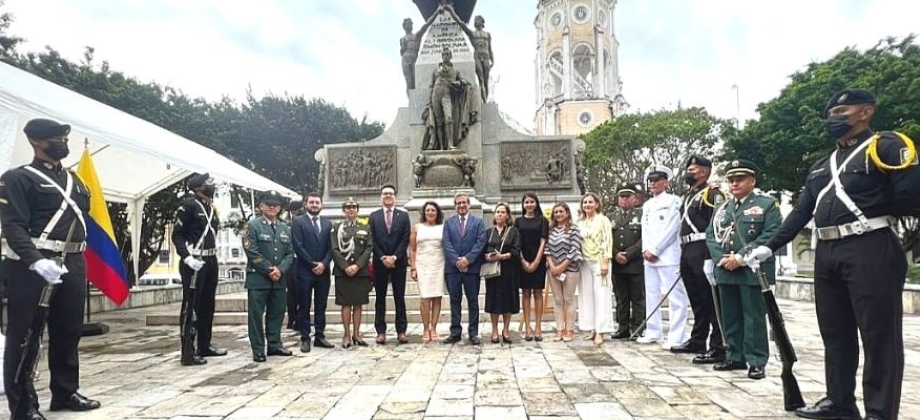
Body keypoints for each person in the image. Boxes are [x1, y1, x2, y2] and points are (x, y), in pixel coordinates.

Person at [747, 89, 920, 420]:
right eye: (831, 113)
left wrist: (881, 219)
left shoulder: (886, 146)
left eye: (843, 110)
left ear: (866, 112)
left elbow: (911, 194)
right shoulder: (821, 165)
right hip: (826, 251)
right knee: (835, 333)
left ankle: (880, 412)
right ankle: (840, 402)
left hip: (870, 246)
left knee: (879, 336)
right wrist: (769, 245)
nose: (834, 118)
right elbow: (800, 213)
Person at [0, 118, 101, 419]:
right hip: (31, 265)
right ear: (35, 141)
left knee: (68, 329)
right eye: (56, 139)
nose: (63, 144)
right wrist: (36, 260)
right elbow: (12, 226)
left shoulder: (76, 181)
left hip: (72, 261)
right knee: (26, 334)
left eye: (65, 139)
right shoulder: (17, 179)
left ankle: (65, 391)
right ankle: (23, 404)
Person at [706, 160, 781, 380]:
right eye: (731, 180)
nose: (735, 183)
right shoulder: (722, 208)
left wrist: (741, 257)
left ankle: (756, 360)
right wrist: (721, 259)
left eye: (740, 179)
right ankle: (734, 355)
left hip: (752, 270)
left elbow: (771, 233)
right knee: (730, 316)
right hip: (726, 270)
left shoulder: (767, 204)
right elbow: (711, 235)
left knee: (753, 317)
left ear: (752, 181)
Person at [673, 156, 727, 364]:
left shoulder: (713, 194)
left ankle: (718, 345)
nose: (689, 172)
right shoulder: (690, 196)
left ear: (704, 172)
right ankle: (698, 339)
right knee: (696, 299)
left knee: (711, 300)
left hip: (703, 248)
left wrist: (711, 256)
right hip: (687, 249)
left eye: (693, 170)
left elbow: (718, 224)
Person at [172, 172, 226, 365]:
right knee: (191, 306)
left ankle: (205, 344)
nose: (211, 185)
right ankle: (188, 351)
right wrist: (186, 257)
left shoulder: (209, 206)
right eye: (208, 183)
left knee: (207, 305)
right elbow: (177, 235)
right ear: (198, 187)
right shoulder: (188, 206)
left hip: (210, 259)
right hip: (194, 261)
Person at [638, 165, 690, 350]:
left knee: (675, 297)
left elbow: (672, 228)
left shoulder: (674, 201)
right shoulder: (647, 205)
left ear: (666, 181)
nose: (652, 183)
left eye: (657, 179)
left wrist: (656, 250)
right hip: (649, 256)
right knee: (651, 295)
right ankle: (653, 331)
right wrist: (646, 250)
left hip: (668, 255)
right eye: (650, 180)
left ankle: (677, 336)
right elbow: (645, 230)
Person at [242, 191, 295, 362]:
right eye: (268, 204)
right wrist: (269, 269)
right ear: (261, 206)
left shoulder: (284, 227)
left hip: (279, 280)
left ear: (280, 208)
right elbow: (252, 251)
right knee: (256, 315)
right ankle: (258, 349)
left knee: (277, 313)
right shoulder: (252, 226)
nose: (272, 207)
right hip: (258, 279)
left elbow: (290, 253)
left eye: (276, 205)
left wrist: (280, 270)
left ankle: (274, 344)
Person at [290, 193, 334, 353]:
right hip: (304, 271)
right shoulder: (298, 222)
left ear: (321, 204)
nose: (314, 205)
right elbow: (298, 245)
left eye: (317, 202)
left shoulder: (328, 223)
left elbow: (332, 247)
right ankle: (305, 337)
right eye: (312, 202)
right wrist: (312, 263)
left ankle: (320, 336)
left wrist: (324, 263)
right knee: (304, 305)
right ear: (306, 204)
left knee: (321, 305)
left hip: (323, 271)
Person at [368, 184, 411, 344]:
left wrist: (394, 257)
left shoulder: (403, 216)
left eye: (391, 194)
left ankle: (401, 331)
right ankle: (380, 331)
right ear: (381, 197)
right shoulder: (373, 216)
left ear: (395, 197)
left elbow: (405, 238)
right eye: (385, 193)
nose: (388, 196)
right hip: (380, 264)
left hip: (398, 263)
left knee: (399, 297)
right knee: (380, 297)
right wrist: (382, 257)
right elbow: (371, 239)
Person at [442, 192, 487, 345]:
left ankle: (473, 333)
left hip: (472, 268)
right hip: (452, 269)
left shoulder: (478, 222)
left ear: (469, 205)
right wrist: (457, 261)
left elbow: (480, 242)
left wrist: (468, 259)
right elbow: (446, 243)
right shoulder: (448, 223)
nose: (461, 205)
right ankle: (455, 332)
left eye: (464, 203)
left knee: (472, 300)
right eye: (458, 203)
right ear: (455, 206)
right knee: (455, 300)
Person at [331, 198, 375, 349]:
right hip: (343, 272)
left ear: (357, 210)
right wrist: (345, 267)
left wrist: (357, 266)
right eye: (348, 207)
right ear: (343, 210)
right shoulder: (337, 228)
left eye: (354, 207)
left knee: (358, 304)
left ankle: (357, 333)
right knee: (345, 304)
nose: (351, 209)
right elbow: (335, 249)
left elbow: (369, 248)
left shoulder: (365, 227)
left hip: (360, 271)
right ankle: (346, 335)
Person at [609, 183, 646, 340]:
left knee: (637, 298)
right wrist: (615, 254)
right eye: (621, 197)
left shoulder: (642, 214)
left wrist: (630, 254)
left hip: (635, 262)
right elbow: (606, 239)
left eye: (627, 196)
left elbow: (646, 237)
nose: (624, 200)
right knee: (621, 298)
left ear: (634, 198)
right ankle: (622, 327)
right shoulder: (610, 217)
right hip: (617, 264)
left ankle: (638, 328)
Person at [576, 193, 614, 346]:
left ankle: (601, 330)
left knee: (601, 295)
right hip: (584, 262)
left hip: (599, 261)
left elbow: (607, 240)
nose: (587, 205)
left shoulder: (603, 220)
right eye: (585, 202)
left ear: (597, 204)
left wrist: (605, 261)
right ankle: (590, 328)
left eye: (590, 202)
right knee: (587, 295)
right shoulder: (580, 222)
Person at [409, 201, 447, 342]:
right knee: (425, 298)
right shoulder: (417, 228)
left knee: (437, 297)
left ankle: (434, 328)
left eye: (433, 210)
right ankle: (425, 328)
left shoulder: (443, 228)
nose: (430, 213)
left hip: (439, 264)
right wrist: (413, 268)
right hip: (423, 265)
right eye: (428, 210)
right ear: (424, 213)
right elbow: (412, 249)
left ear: (437, 213)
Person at [483, 203, 521, 344]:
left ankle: (506, 329)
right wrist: (487, 256)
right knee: (493, 300)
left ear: (507, 215)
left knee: (507, 300)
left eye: (502, 212)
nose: (499, 214)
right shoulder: (488, 232)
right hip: (493, 272)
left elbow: (516, 251)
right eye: (497, 212)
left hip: (508, 271)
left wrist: (503, 256)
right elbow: (483, 250)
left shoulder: (513, 231)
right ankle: (494, 330)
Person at [545, 203, 583, 342]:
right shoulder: (550, 230)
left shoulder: (573, 229)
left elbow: (575, 249)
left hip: (570, 269)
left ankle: (570, 330)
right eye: (556, 212)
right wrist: (552, 266)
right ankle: (559, 329)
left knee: (568, 299)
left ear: (567, 213)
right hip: (553, 270)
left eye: (561, 211)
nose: (558, 214)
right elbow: (546, 249)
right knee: (558, 300)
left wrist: (562, 267)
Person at [515, 193, 548, 341]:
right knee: (526, 293)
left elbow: (543, 241)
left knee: (538, 293)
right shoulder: (518, 221)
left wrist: (536, 261)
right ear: (523, 205)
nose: (529, 204)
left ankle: (538, 326)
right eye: (526, 202)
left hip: (539, 260)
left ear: (536, 203)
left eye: (531, 201)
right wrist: (523, 260)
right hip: (522, 260)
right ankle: (528, 327)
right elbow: (516, 242)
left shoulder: (542, 220)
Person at [445, 6, 494, 102]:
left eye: (478, 20)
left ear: (482, 22)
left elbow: (490, 48)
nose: (476, 21)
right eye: (475, 20)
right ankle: (483, 99)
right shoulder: (472, 34)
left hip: (486, 56)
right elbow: (461, 23)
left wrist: (493, 60)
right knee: (481, 80)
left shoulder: (487, 35)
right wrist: (451, 11)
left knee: (486, 81)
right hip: (477, 56)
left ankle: (485, 101)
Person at [399, 11, 439, 95]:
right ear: (404, 26)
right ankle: (411, 101)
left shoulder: (416, 36)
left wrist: (436, 13)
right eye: (408, 23)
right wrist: (403, 46)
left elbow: (426, 25)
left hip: (414, 58)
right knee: (409, 80)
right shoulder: (402, 38)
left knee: (416, 80)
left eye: (411, 23)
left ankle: (416, 98)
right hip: (405, 59)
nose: (410, 25)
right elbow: (402, 52)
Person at [283, 200, 305, 331]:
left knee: (298, 291)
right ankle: (294, 318)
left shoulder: (294, 224)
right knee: (293, 292)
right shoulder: (288, 225)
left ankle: (297, 318)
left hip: (300, 261)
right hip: (292, 261)